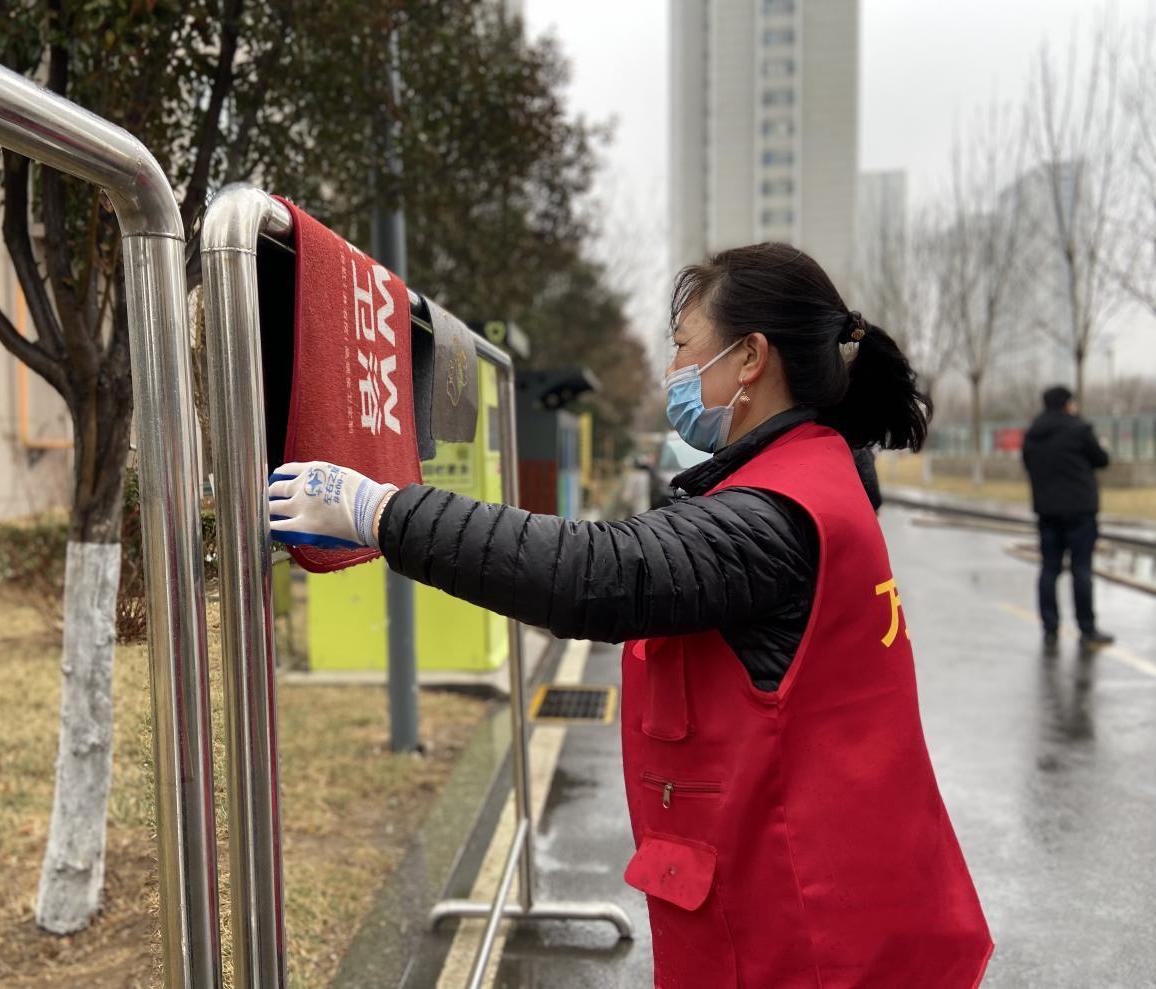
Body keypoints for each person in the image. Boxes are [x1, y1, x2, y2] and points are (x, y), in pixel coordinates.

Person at [267, 243, 993, 988]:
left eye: (683, 346)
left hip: (811, 934)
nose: (671, 370)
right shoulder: (817, 472)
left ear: (750, 357)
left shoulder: (773, 514)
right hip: (845, 896)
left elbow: (597, 574)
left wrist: (382, 510)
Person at [1021, 385, 1114, 650]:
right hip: (1080, 511)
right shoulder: (1079, 429)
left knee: (1049, 569)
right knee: (1081, 569)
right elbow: (1101, 459)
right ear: (1067, 403)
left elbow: (1028, 464)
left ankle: (1050, 628)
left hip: (1047, 511)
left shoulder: (1033, 433)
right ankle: (1087, 628)